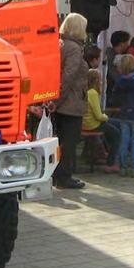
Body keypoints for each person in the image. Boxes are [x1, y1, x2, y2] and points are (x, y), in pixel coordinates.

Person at [52, 13, 89, 190]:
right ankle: (64, 177)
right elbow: (69, 75)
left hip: (61, 102)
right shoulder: (74, 48)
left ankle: (56, 175)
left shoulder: (60, 44)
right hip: (70, 103)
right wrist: (58, 99)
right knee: (69, 142)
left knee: (59, 141)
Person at [82, 69, 121, 174]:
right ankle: (111, 163)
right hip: (93, 124)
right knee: (117, 133)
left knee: (116, 124)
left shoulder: (85, 91)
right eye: (100, 80)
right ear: (95, 80)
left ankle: (106, 153)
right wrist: (106, 117)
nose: (101, 82)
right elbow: (99, 116)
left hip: (86, 123)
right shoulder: (93, 93)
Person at [114, 54, 134, 177]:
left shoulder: (120, 81)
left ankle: (122, 167)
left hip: (124, 113)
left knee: (124, 140)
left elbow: (115, 97)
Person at [104, 30, 131, 104]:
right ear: (122, 44)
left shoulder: (113, 55)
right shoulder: (110, 57)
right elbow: (114, 76)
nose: (128, 45)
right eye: (127, 42)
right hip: (111, 96)